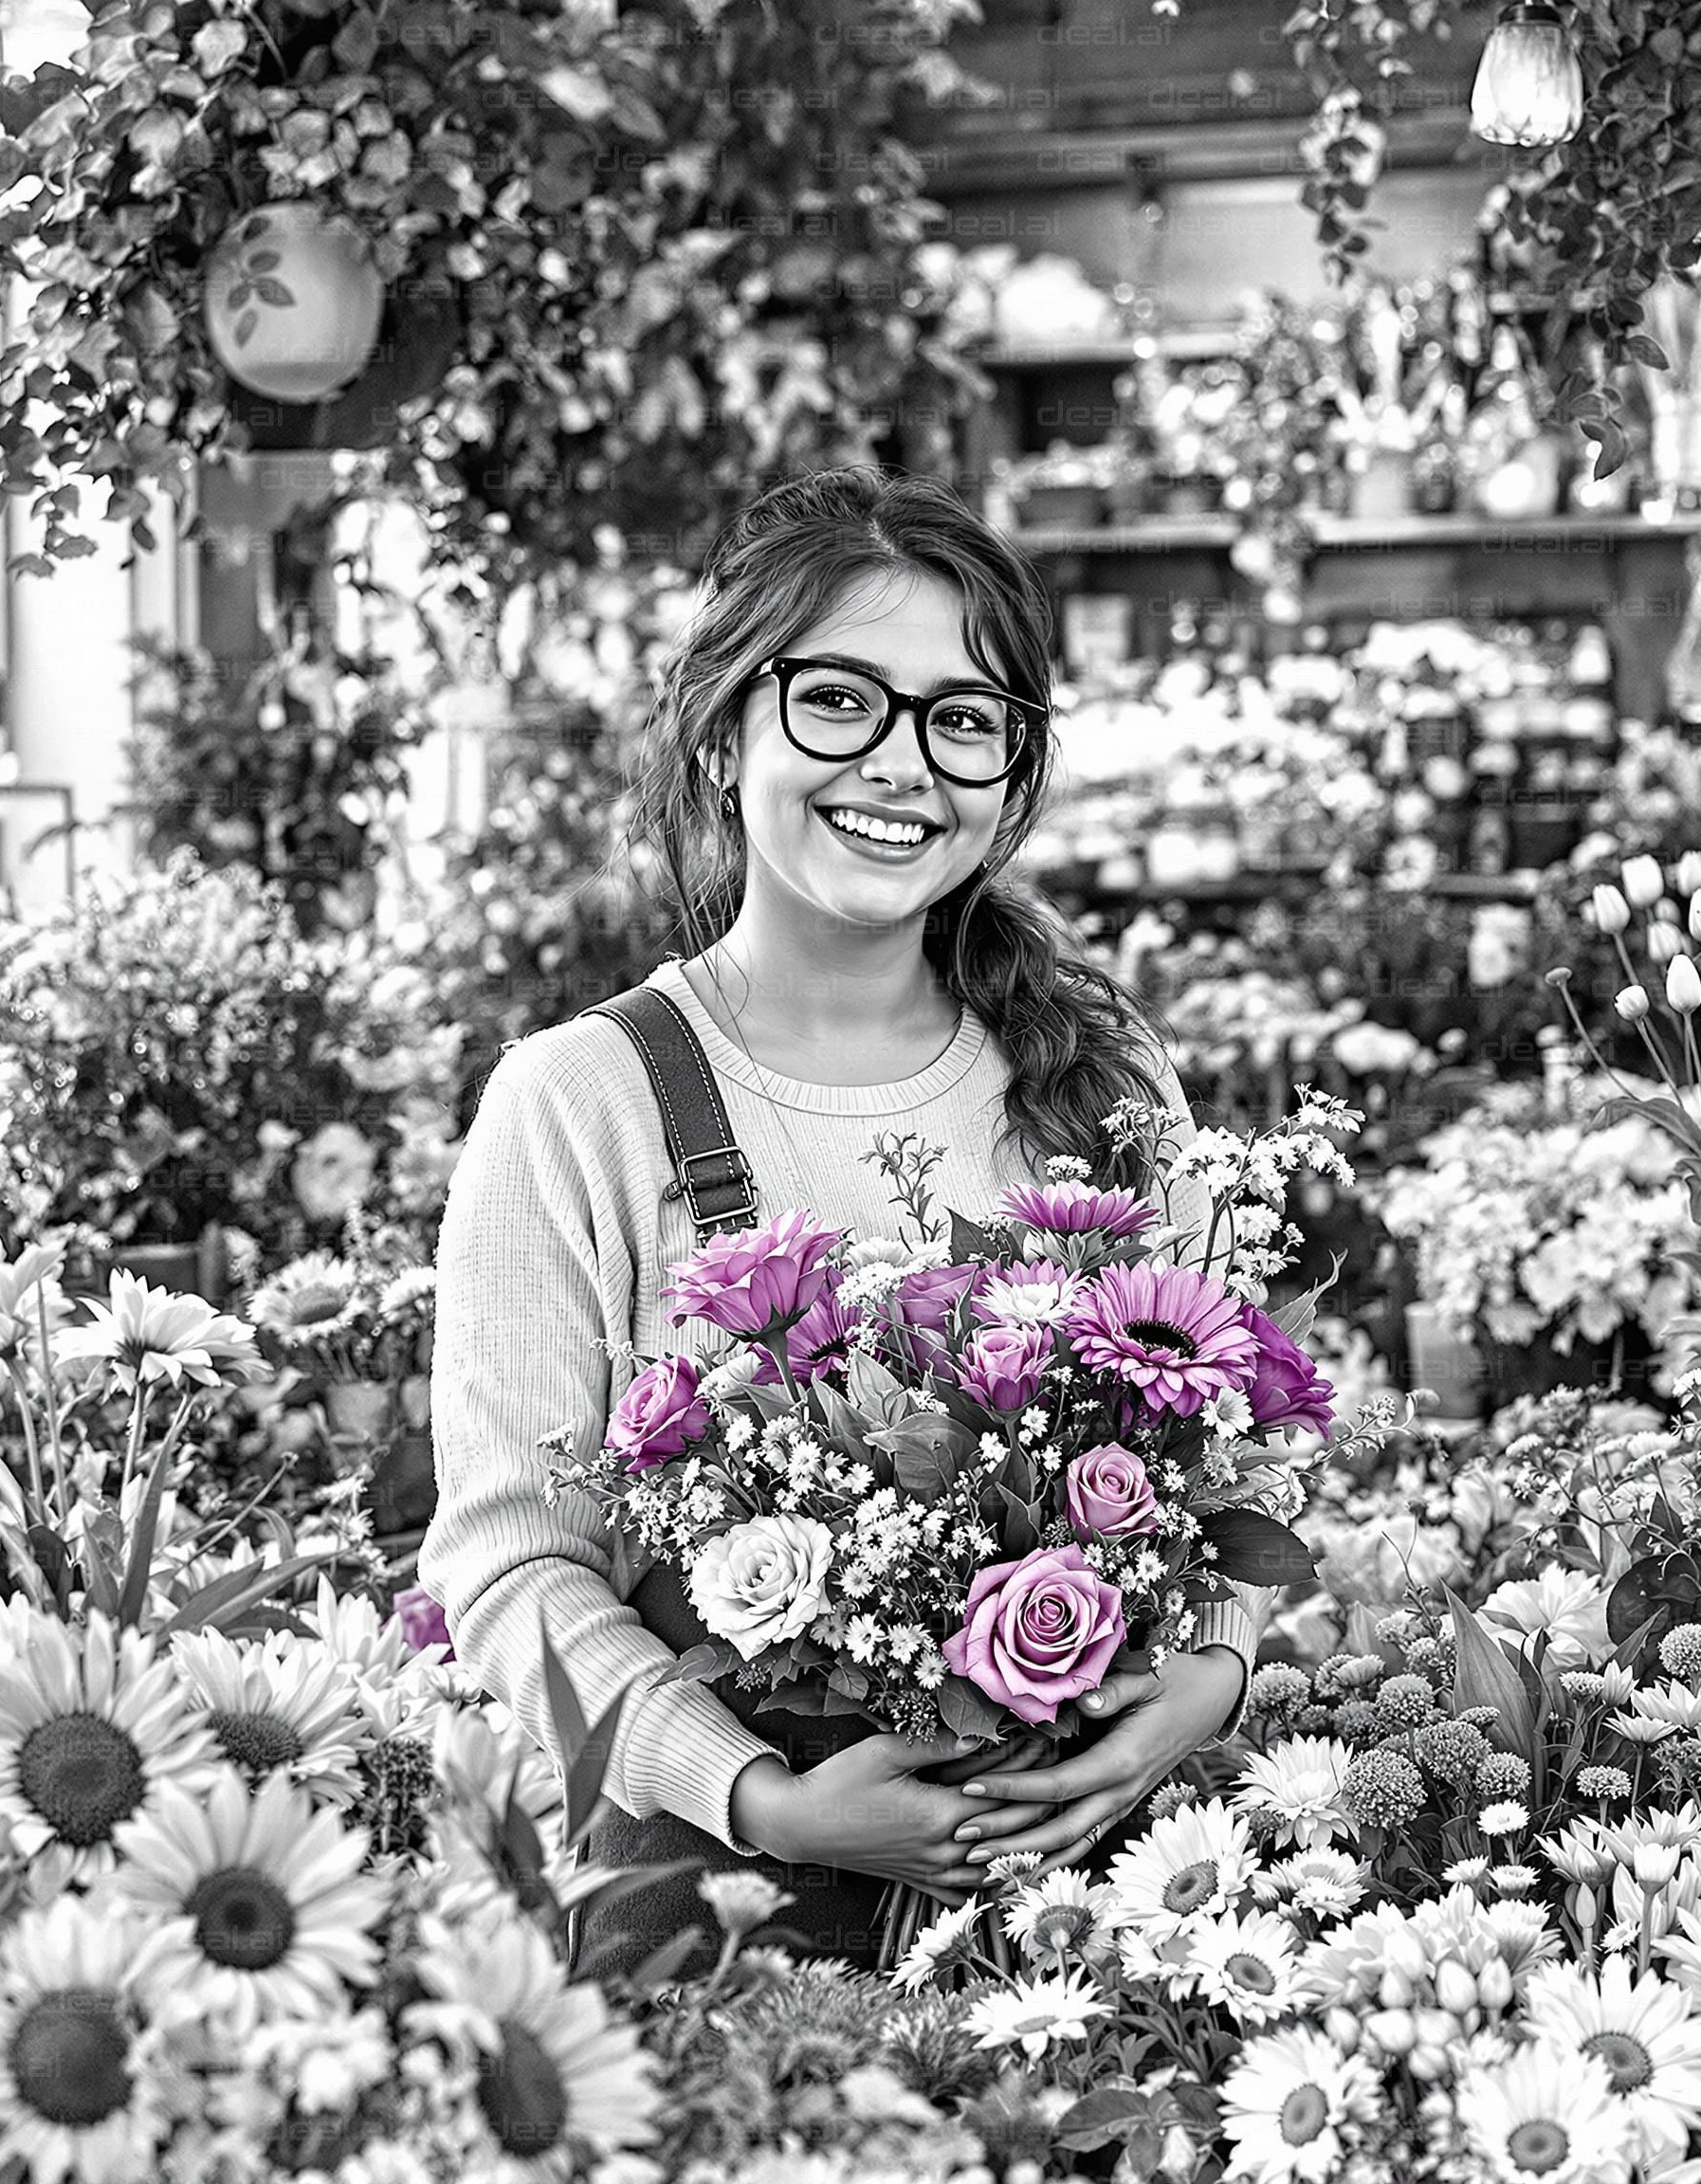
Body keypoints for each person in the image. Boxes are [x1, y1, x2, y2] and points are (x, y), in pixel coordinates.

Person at [421, 466, 1262, 1974]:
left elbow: (1234, 1459)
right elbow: (510, 1568)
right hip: (729, 1918)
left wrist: (1209, 1676)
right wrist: (760, 1796)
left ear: (1011, 776)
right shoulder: (578, 1103)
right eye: (839, 701)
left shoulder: (1099, 1073)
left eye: (962, 718)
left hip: (1100, 1915)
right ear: (727, 723)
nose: (901, 764)